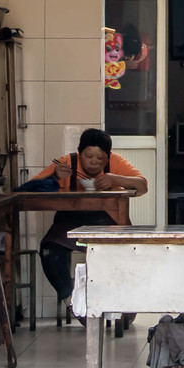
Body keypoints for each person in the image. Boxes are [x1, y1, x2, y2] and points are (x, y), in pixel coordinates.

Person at [30, 128, 148, 306]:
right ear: (79, 152)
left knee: (121, 256)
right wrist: (54, 177)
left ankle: (118, 305)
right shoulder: (67, 163)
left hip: (108, 223)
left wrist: (115, 179)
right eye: (88, 156)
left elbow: (142, 186)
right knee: (50, 249)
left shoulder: (115, 163)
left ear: (108, 156)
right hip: (69, 224)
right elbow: (32, 187)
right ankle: (71, 300)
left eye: (100, 158)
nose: (94, 162)